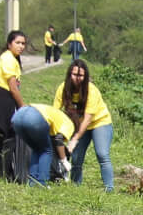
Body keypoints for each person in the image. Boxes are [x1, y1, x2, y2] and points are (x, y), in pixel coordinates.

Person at [51, 57, 115, 191]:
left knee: (102, 154)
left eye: (81, 75)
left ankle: (109, 188)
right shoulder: (63, 88)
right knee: (76, 158)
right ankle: (75, 186)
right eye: (74, 74)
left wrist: (75, 138)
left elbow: (87, 119)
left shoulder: (91, 90)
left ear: (85, 76)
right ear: (69, 74)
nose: (77, 78)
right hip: (79, 125)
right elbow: (55, 112)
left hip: (99, 122)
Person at [0, 30, 28, 182]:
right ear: (9, 44)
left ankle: (6, 174)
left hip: (1, 100)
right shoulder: (9, 59)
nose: (21, 46)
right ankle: (7, 176)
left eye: (23, 43)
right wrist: (22, 107)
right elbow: (13, 87)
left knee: (4, 140)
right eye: (18, 43)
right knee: (8, 140)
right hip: (2, 101)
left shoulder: (9, 58)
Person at [7, 105, 58, 185]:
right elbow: (59, 140)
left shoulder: (54, 112)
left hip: (16, 118)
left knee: (36, 149)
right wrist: (64, 159)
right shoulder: (68, 124)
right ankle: (42, 182)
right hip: (33, 119)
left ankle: (32, 181)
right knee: (46, 151)